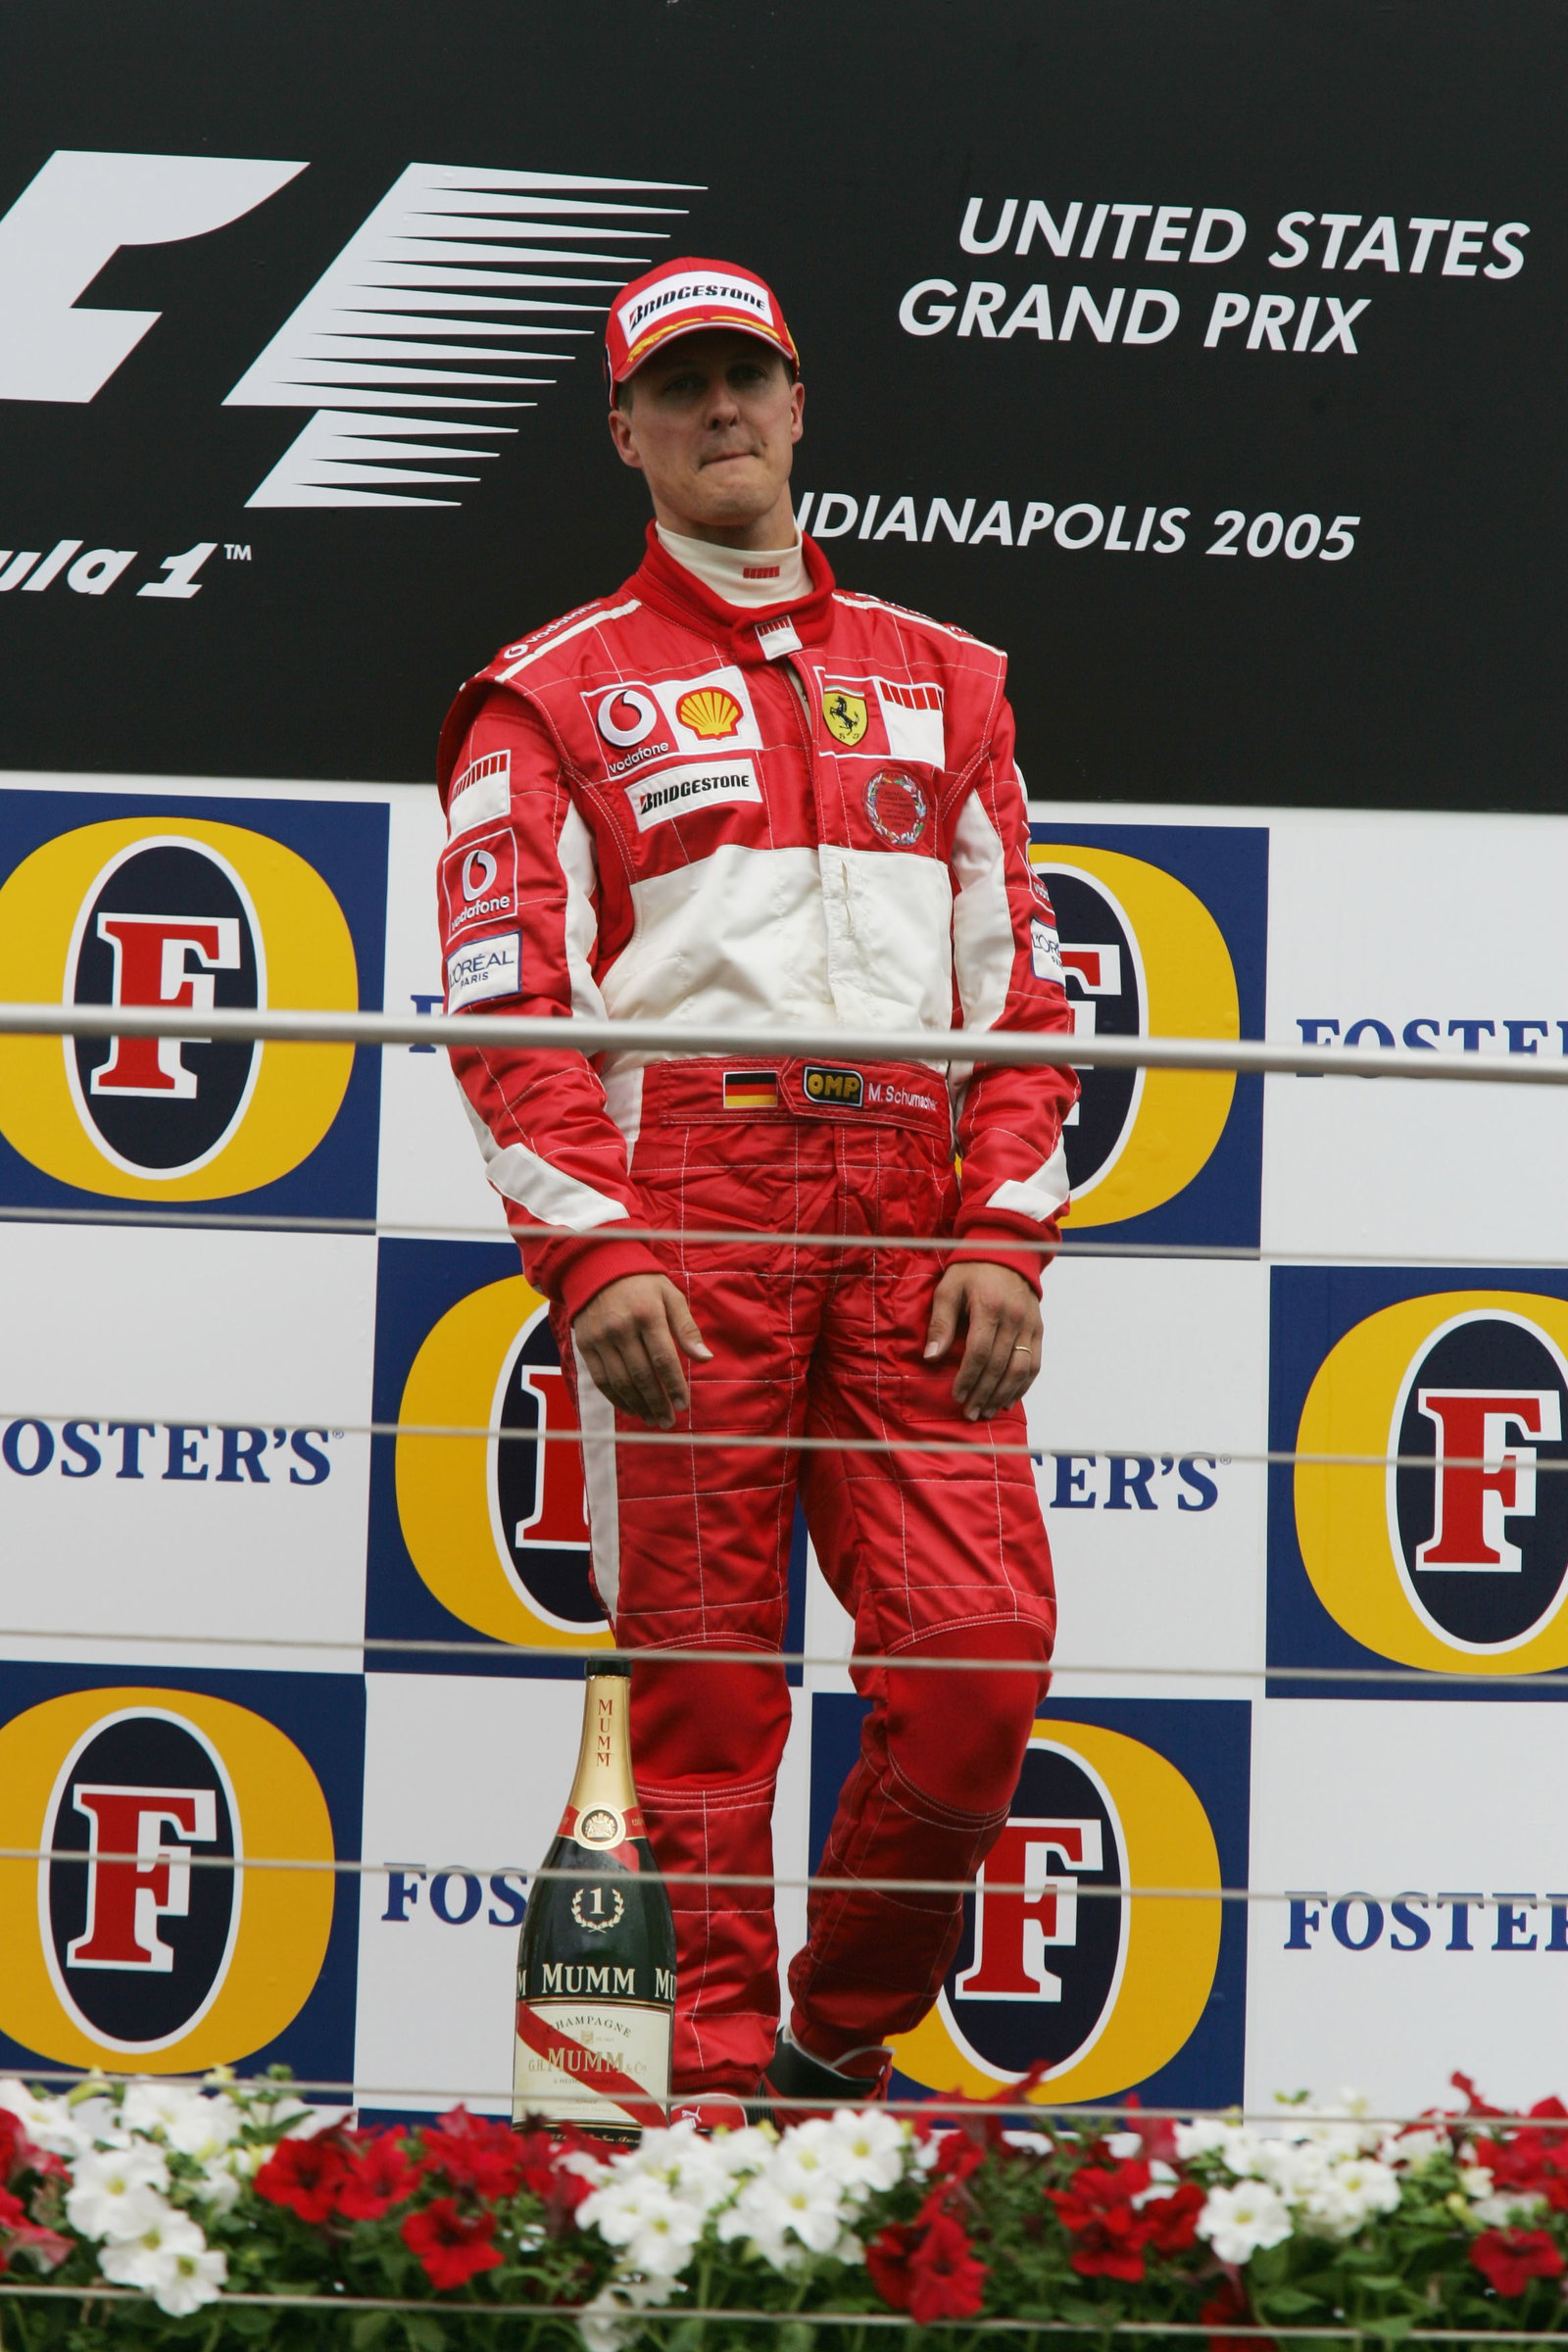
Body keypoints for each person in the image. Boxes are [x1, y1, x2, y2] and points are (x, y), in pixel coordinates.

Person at [435, 257, 1079, 2126]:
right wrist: (596, 1247)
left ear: (801, 405)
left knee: (978, 1669)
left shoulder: (949, 680)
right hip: (685, 1205)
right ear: (624, 430)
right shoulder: (542, 696)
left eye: (750, 380)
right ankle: (706, 2142)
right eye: (681, 387)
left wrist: (1004, 1225)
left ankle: (829, 2041)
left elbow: (1021, 997)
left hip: (914, 1212)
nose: (722, 413)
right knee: (703, 1721)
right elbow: (507, 1010)